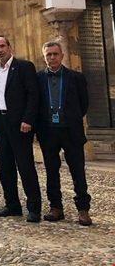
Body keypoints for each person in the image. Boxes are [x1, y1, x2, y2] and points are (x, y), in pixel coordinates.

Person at [36, 41, 92, 226]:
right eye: (48, 55)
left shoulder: (76, 77)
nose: (52, 57)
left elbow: (83, 104)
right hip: (48, 131)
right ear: (44, 57)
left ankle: (83, 210)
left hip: (71, 131)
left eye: (55, 54)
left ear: (61, 55)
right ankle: (56, 207)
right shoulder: (38, 78)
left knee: (77, 171)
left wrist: (71, 118)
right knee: (51, 171)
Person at [0, 37, 41, 223]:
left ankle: (34, 208)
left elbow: (33, 95)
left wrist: (28, 119)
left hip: (20, 124)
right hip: (1, 122)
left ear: (10, 47)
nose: (0, 50)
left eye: (2, 46)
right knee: (5, 167)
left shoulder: (24, 67)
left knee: (25, 166)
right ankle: (12, 205)